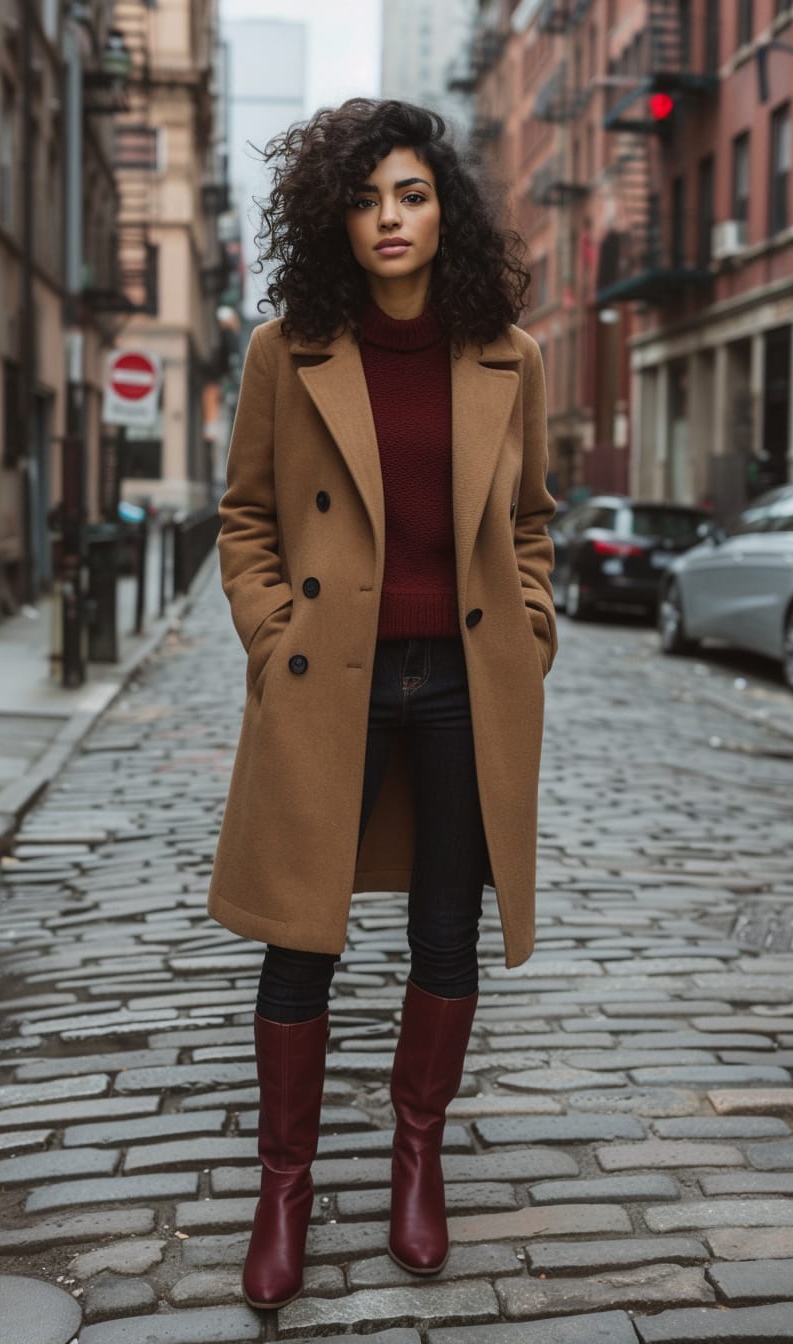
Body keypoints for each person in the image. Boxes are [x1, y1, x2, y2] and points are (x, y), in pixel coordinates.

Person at [208, 98, 557, 1311]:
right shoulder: (286, 350)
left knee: (445, 937)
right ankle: (284, 1188)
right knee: (299, 937)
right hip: (330, 685)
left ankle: (416, 1160)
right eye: (363, 200)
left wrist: (532, 627)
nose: (388, 219)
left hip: (464, 686)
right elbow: (247, 517)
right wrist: (270, 633)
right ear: (332, 220)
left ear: (441, 210)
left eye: (408, 195)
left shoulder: (508, 354)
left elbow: (529, 524)